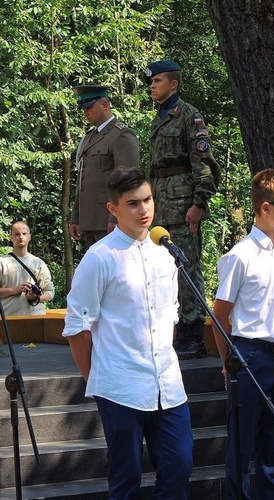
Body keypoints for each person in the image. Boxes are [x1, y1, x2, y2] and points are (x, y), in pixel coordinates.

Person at [63, 167, 193, 499]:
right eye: (133, 203)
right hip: (120, 387)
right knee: (126, 478)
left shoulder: (166, 256)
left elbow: (171, 317)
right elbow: (77, 327)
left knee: (179, 466)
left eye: (148, 200)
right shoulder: (100, 257)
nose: (144, 209)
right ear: (114, 209)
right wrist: (97, 378)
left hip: (168, 384)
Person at [212, 169, 274, 500]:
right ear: (265, 208)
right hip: (249, 355)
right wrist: (228, 362)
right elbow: (219, 315)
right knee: (242, 444)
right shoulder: (240, 256)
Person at [145, 59, 221, 359]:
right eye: (152, 82)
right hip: (163, 204)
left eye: (158, 81)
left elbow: (203, 163)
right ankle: (178, 331)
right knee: (167, 271)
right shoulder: (159, 118)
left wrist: (199, 203)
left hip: (184, 203)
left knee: (188, 267)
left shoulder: (188, 115)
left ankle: (194, 334)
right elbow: (155, 169)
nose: (152, 86)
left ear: (174, 84)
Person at [70, 84, 140, 249]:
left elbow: (128, 182)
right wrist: (76, 217)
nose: (85, 112)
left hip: (109, 222)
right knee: (96, 273)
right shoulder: (89, 137)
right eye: (83, 107)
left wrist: (116, 217)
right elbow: (83, 181)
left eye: (89, 106)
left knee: (115, 272)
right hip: (90, 221)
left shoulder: (121, 135)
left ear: (104, 105)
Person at [0, 221, 55, 316]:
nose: (21, 237)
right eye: (17, 234)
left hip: (36, 318)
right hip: (8, 320)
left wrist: (36, 298)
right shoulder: (0, 263)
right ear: (10, 237)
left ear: (29, 236)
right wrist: (13, 290)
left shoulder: (38, 263)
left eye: (24, 234)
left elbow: (50, 291)